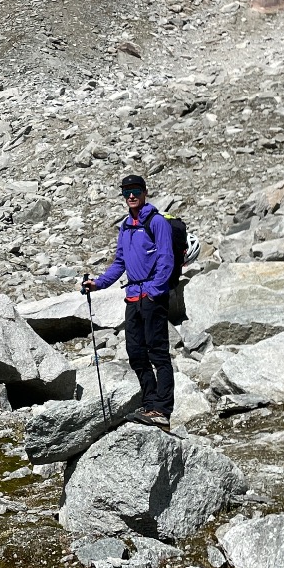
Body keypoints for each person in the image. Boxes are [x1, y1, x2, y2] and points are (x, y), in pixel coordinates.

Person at [82, 173, 175, 429]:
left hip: (152, 296)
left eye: (135, 191)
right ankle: (149, 405)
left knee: (158, 354)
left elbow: (166, 260)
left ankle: (162, 411)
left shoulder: (157, 223)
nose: (131, 195)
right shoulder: (126, 226)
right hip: (133, 296)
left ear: (145, 192)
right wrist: (98, 283)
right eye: (126, 192)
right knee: (135, 352)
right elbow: (120, 263)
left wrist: (154, 291)